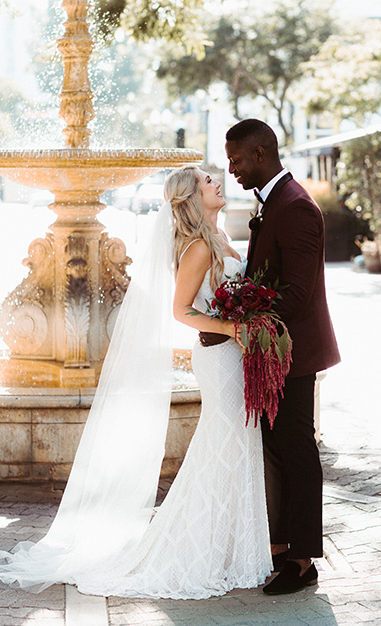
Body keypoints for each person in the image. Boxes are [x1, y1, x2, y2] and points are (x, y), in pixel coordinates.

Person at [0, 165, 272, 599]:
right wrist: (233, 329)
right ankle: (197, 546)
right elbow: (181, 310)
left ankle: (232, 547)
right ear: (192, 198)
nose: (216, 182)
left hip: (234, 356)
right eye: (206, 181)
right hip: (220, 359)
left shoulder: (219, 239)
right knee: (222, 445)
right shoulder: (199, 248)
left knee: (236, 446)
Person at [225, 119, 341, 596]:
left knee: (297, 451)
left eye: (237, 160)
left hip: (293, 352)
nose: (231, 169)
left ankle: (303, 561)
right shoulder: (274, 202)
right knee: (278, 449)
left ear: (261, 151)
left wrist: (242, 320)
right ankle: (281, 548)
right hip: (275, 351)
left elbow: (296, 293)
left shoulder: (295, 206)